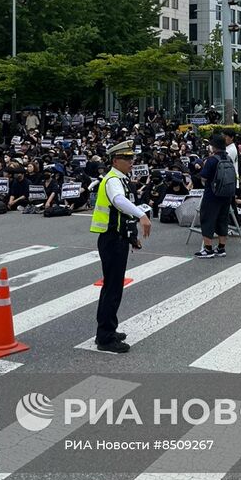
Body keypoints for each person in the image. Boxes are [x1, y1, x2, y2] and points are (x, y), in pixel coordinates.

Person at [90, 140, 151, 353]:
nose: (131, 162)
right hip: (111, 239)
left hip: (118, 238)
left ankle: (108, 329)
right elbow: (118, 201)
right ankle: (105, 337)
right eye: (127, 159)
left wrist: (132, 236)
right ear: (116, 161)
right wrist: (141, 215)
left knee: (113, 287)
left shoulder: (121, 179)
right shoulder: (113, 180)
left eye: (132, 158)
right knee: (112, 288)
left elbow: (122, 215)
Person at [196, 132, 236, 258]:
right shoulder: (228, 158)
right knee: (222, 219)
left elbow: (203, 176)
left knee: (207, 219)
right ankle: (221, 247)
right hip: (227, 194)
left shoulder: (212, 160)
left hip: (212, 194)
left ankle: (208, 249)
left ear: (214, 147)